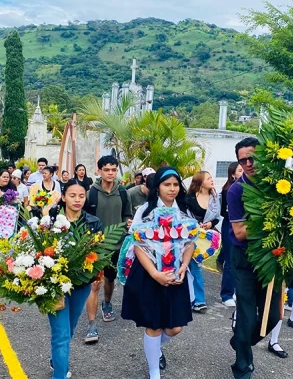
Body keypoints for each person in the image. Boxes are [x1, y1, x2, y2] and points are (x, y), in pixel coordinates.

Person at [121, 167, 194, 379]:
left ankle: (154, 349)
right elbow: (138, 245)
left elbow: (190, 242)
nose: (172, 189)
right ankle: (154, 371)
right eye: (166, 184)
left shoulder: (184, 210)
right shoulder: (145, 210)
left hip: (176, 274)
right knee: (154, 325)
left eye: (175, 184)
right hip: (150, 274)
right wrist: (155, 274)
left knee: (174, 328)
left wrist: (183, 266)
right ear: (158, 187)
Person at [227, 137, 282, 379]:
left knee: (274, 316)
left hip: (273, 257)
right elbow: (239, 232)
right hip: (244, 257)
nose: (249, 163)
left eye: (253, 158)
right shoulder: (236, 190)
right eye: (243, 160)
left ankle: (240, 340)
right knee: (247, 314)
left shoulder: (278, 186)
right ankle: (242, 367)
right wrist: (272, 219)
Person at [47, 183, 102, 379]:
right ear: (63, 197)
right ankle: (59, 375)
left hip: (81, 285)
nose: (77, 200)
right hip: (53, 286)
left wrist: (96, 273)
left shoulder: (93, 222)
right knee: (61, 335)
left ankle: (56, 359)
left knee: (69, 329)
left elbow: (99, 252)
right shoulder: (50, 220)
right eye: (72, 195)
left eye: (81, 196)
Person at [82, 155, 133, 344]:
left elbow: (127, 213)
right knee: (95, 284)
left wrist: (128, 222)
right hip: (96, 245)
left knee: (110, 280)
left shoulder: (123, 192)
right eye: (106, 170)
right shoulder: (91, 193)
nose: (110, 173)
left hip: (117, 244)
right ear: (99, 171)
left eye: (113, 170)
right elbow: (84, 217)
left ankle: (108, 303)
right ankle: (91, 326)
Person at [185, 171, 220, 313]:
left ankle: (199, 300)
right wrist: (194, 224)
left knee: (197, 266)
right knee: (191, 266)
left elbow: (217, 217)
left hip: (206, 238)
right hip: (189, 236)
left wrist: (210, 224)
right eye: (209, 178)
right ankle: (193, 299)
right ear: (200, 182)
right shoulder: (189, 198)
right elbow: (183, 215)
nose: (212, 180)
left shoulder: (214, 198)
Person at [218, 162, 243, 307]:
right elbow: (223, 212)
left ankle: (234, 290)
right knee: (229, 260)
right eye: (240, 170)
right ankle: (226, 293)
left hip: (241, 225)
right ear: (233, 174)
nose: (243, 172)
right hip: (230, 225)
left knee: (238, 260)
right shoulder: (229, 190)